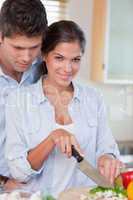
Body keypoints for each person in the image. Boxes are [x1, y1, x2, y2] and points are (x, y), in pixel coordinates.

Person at [5, 20, 123, 197]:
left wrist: (108, 158)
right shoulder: (19, 100)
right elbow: (19, 171)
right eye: (59, 58)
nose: (68, 68)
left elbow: (107, 148)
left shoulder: (93, 98)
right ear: (45, 55)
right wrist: (52, 138)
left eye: (75, 60)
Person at [0, 0, 47, 190]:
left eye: (34, 47)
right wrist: (3, 182)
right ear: (1, 36)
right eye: (18, 48)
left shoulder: (45, 69)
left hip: (40, 188)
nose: (27, 57)